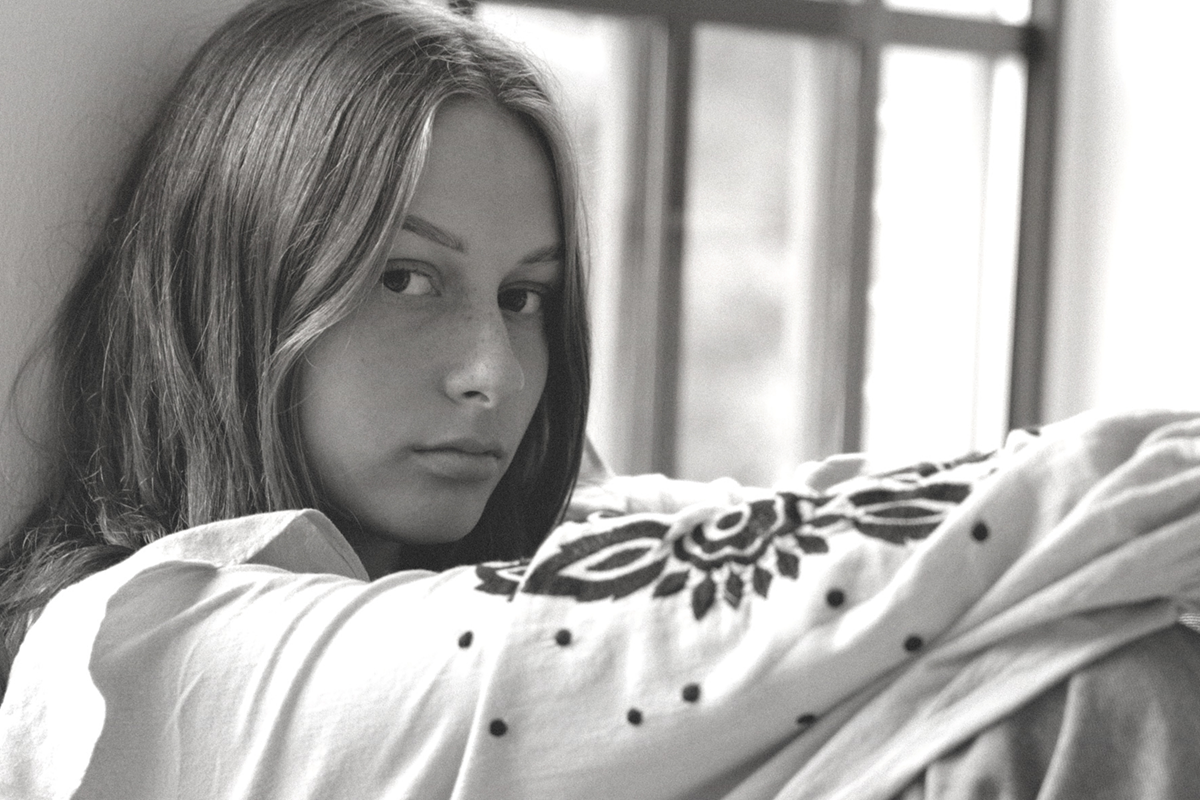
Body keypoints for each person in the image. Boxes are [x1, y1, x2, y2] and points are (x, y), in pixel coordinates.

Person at [4, 1, 1200, 798]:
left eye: (527, 298)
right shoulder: (139, 657)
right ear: (240, 285)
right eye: (405, 277)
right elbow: (642, 626)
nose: (493, 370)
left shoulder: (522, 553)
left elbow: (701, 548)